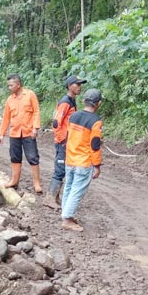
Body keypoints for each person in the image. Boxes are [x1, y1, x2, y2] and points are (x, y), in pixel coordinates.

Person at [61, 89, 103, 232]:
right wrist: (97, 165)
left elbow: (67, 137)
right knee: (77, 190)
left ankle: (66, 215)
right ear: (98, 104)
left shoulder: (73, 116)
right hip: (83, 162)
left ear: (83, 100)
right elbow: (95, 145)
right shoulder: (95, 121)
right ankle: (67, 219)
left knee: (68, 187)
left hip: (70, 159)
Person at [44, 75, 87, 209]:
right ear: (69, 86)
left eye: (80, 85)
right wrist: (62, 140)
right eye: (77, 84)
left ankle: (55, 197)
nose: (80, 87)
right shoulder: (66, 102)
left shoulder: (72, 101)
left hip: (68, 141)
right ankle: (49, 198)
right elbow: (56, 122)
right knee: (60, 169)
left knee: (63, 169)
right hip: (63, 142)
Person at [0, 73, 43, 193]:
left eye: (11, 85)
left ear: (18, 85)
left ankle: (36, 183)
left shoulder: (30, 95)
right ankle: (14, 180)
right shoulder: (9, 100)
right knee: (15, 157)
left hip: (28, 132)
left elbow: (36, 111)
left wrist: (35, 128)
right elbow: (6, 117)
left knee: (32, 157)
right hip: (14, 133)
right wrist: (2, 133)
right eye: (8, 85)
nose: (9, 88)